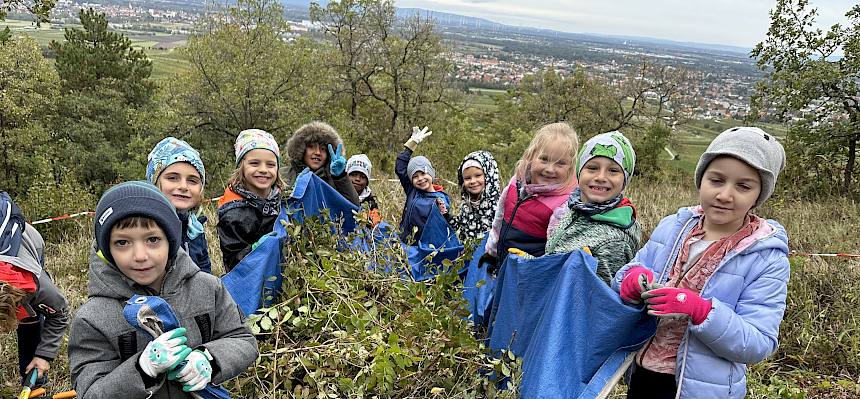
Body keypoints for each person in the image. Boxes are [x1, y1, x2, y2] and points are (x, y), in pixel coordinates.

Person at [613, 127, 789, 399]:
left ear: (759, 194)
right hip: (643, 373)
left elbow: (759, 343)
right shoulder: (673, 227)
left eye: (743, 186)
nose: (725, 195)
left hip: (704, 390)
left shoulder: (765, 257)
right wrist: (632, 280)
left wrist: (702, 310)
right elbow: (629, 272)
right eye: (716, 180)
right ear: (701, 179)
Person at [69, 181, 258, 398]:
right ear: (107, 250)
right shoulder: (93, 318)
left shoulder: (207, 288)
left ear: (170, 240)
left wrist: (209, 359)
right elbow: (90, 392)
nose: (140, 255)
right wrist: (142, 370)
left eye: (153, 240)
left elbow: (242, 339)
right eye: (122, 243)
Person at [544, 131, 642, 283]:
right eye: (592, 168)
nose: (601, 177)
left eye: (613, 171)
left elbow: (600, 298)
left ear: (625, 180)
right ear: (579, 172)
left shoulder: (614, 243)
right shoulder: (575, 209)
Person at [481, 122, 579, 271]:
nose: (549, 169)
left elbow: (554, 253)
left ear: (571, 167)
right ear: (531, 156)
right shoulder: (516, 183)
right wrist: (492, 251)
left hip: (529, 275)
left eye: (560, 163)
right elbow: (499, 220)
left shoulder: (561, 205)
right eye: (544, 159)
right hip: (503, 263)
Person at [0, 192, 69, 387]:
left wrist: (44, 355)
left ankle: (33, 379)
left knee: (29, 320)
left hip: (30, 243)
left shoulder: (37, 289)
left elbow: (60, 314)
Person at [217, 129, 286, 272]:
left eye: (270, 164)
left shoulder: (283, 199)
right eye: (255, 163)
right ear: (241, 167)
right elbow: (232, 261)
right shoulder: (233, 212)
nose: (263, 170)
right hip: (252, 280)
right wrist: (255, 249)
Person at [146, 136, 212, 274]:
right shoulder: (144, 225)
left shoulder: (195, 229)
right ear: (154, 182)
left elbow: (205, 271)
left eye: (192, 181)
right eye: (172, 178)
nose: (183, 186)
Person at [395, 126, 453, 244]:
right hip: (404, 243)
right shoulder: (412, 190)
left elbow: (444, 219)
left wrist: (442, 212)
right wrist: (411, 145)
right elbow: (400, 167)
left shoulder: (441, 198)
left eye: (423, 173)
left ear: (431, 173)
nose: (420, 179)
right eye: (415, 176)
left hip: (425, 249)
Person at [281, 121, 360, 205]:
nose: (318, 153)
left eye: (323, 149)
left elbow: (353, 206)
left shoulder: (334, 180)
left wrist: (340, 177)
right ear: (301, 149)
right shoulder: (284, 175)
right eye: (311, 147)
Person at [451, 150, 501, 242]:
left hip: (492, 254)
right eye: (467, 178)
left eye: (478, 175)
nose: (473, 181)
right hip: (469, 253)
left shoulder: (498, 206)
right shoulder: (466, 206)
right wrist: (446, 215)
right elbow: (459, 228)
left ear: (488, 175)